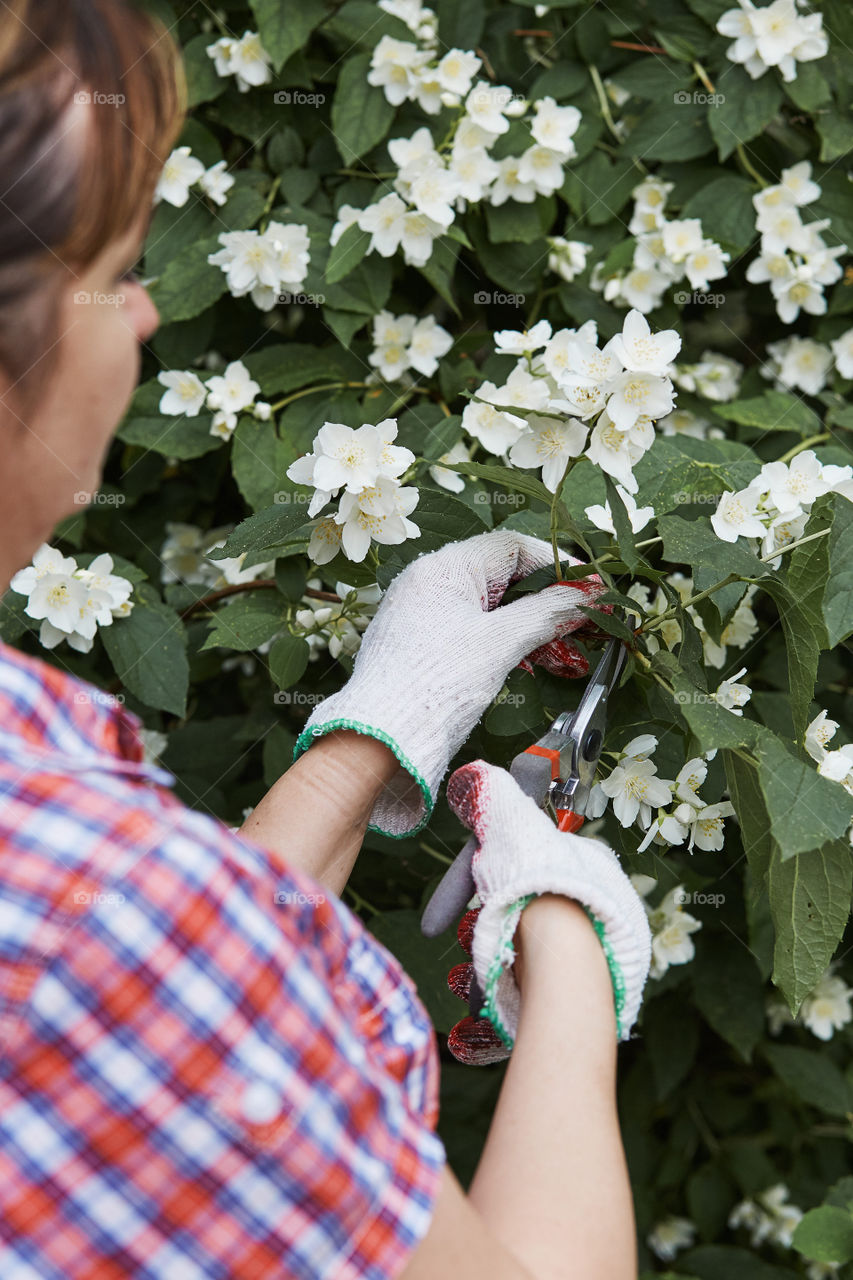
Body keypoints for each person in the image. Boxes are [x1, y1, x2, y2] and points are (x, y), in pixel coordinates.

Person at [0, 2, 652, 1276]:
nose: (141, 317)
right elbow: (130, 967)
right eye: (119, 270)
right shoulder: (96, 903)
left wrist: (377, 731)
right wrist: (569, 958)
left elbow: (145, 1039)